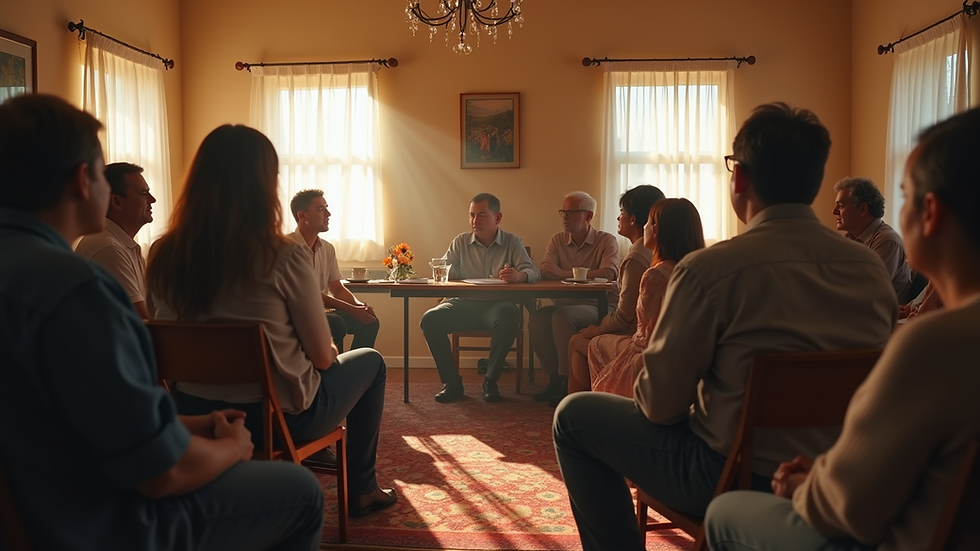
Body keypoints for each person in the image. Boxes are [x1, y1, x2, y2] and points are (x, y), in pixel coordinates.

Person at [553, 102, 897, 551]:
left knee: (573, 417)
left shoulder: (709, 271)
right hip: (831, 474)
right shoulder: (869, 269)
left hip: (724, 472)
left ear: (739, 178)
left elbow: (659, 405)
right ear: (814, 182)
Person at [0, 94, 324, 550]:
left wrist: (199, 422)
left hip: (35, 505)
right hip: (95, 521)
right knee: (302, 492)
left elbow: (80, 418)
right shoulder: (76, 290)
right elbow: (161, 473)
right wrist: (233, 447)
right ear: (82, 181)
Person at [704, 107, 980, 551]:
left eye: (905, 196)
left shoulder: (935, 344)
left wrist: (800, 484)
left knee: (724, 512)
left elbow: (849, 505)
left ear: (931, 213)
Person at [146, 124, 396, 518]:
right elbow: (323, 358)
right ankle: (362, 489)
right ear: (265, 184)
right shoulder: (282, 256)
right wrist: (324, 346)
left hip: (193, 414)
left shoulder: (161, 253)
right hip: (279, 420)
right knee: (372, 361)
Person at [420, 192, 540, 403]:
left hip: (497, 306)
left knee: (509, 316)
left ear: (498, 217)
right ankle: (452, 383)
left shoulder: (512, 242)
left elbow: (533, 272)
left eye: (482, 215)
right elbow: (446, 270)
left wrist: (518, 275)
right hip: (463, 304)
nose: (475, 221)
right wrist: (446, 272)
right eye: (472, 215)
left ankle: (490, 380)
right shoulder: (460, 242)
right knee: (430, 319)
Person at [580, 198, 705, 398]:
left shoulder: (655, 274)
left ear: (656, 230)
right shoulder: (699, 269)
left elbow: (646, 338)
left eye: (648, 222)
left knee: (594, 344)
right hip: (690, 355)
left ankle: (585, 407)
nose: (644, 227)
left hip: (653, 356)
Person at [565, 184, 665, 395]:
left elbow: (624, 316)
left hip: (636, 339)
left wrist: (598, 329)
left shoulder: (637, 256)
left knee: (577, 340)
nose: (618, 218)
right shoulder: (659, 250)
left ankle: (577, 405)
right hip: (658, 336)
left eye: (621, 213)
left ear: (633, 219)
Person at [529, 191, 620, 406]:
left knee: (562, 316)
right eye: (563, 211)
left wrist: (563, 273)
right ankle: (553, 379)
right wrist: (586, 274)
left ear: (588, 216)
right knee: (537, 318)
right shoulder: (557, 240)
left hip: (598, 305)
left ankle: (566, 382)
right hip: (566, 302)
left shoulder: (606, 240)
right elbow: (546, 271)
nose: (564, 217)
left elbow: (608, 273)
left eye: (571, 212)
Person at [288, 189, 380, 352]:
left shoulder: (328, 249)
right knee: (336, 322)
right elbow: (310, 295)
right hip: (297, 314)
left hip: (323, 312)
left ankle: (354, 374)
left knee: (370, 321)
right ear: (302, 216)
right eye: (321, 209)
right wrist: (351, 309)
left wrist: (359, 306)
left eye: (327, 207)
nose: (328, 214)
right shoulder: (288, 247)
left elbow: (337, 288)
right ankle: (335, 373)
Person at [73, 162, 155, 319]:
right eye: (143, 193)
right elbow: (143, 322)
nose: (153, 200)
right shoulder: (107, 248)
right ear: (116, 202)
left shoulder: (121, 244)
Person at [833, 176, 912, 303]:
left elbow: (869, 291)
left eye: (840, 206)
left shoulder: (887, 241)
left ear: (863, 209)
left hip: (882, 320)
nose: (834, 211)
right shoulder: (849, 239)